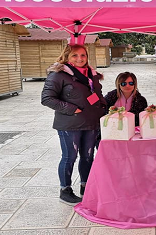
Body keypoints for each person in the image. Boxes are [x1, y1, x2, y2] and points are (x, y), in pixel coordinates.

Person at [41, 44, 107, 204]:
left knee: (88, 156)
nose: (80, 59)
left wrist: (104, 109)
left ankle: (86, 186)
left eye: (83, 55)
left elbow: (96, 96)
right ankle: (65, 190)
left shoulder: (92, 75)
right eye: (75, 56)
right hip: (69, 125)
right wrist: (72, 109)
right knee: (69, 156)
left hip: (91, 123)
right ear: (66, 57)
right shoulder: (58, 75)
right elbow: (47, 98)